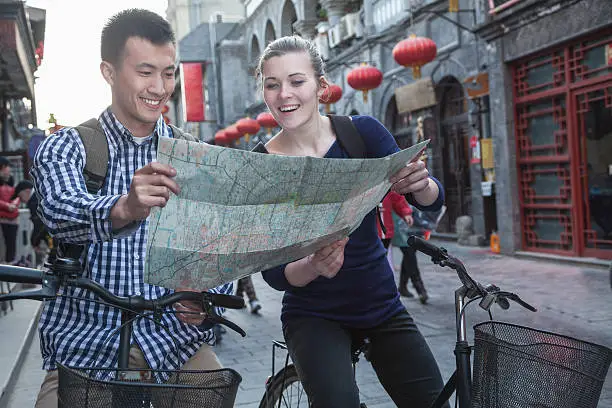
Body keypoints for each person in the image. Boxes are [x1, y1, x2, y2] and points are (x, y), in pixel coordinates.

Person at [30, 9, 232, 408]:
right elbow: (59, 211)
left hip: (174, 342)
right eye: (145, 72)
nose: (159, 87)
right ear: (108, 71)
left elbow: (221, 245)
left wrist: (205, 297)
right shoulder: (68, 146)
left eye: (169, 73)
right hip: (85, 347)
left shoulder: (196, 156)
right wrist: (124, 207)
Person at [257, 36, 448, 408]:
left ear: (321, 86)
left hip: (381, 305)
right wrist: (312, 265)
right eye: (272, 84)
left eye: (297, 81)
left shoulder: (362, 134)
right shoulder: (261, 166)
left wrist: (422, 183)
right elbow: (272, 272)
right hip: (313, 316)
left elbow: (429, 197)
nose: (284, 94)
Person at [391, 209, 429, 304]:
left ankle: (403, 286)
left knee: (409, 254)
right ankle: (420, 288)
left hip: (413, 220)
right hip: (400, 221)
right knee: (409, 253)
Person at [0, 179, 33, 264]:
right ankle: (11, 261)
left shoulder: (12, 193)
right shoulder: (13, 193)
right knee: (11, 244)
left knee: (9, 244)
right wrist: (8, 207)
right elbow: (13, 208)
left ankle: (10, 261)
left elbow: (13, 207)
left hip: (6, 220)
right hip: (12, 221)